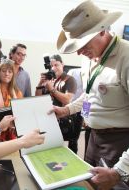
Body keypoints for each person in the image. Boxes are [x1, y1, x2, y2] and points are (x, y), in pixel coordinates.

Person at [53, 0, 129, 189]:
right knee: (90, 185)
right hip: (93, 138)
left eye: (83, 42)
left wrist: (119, 171)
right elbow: (89, 94)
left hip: (118, 143)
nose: (79, 51)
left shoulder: (126, 58)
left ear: (102, 30)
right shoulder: (89, 57)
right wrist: (67, 110)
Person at [36, 54, 81, 154]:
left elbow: (67, 100)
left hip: (70, 118)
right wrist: (40, 84)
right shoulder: (50, 79)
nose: (53, 68)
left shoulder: (70, 79)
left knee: (71, 147)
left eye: (56, 65)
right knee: (52, 147)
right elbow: (38, 98)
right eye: (52, 65)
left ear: (62, 64)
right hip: (52, 117)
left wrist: (52, 89)